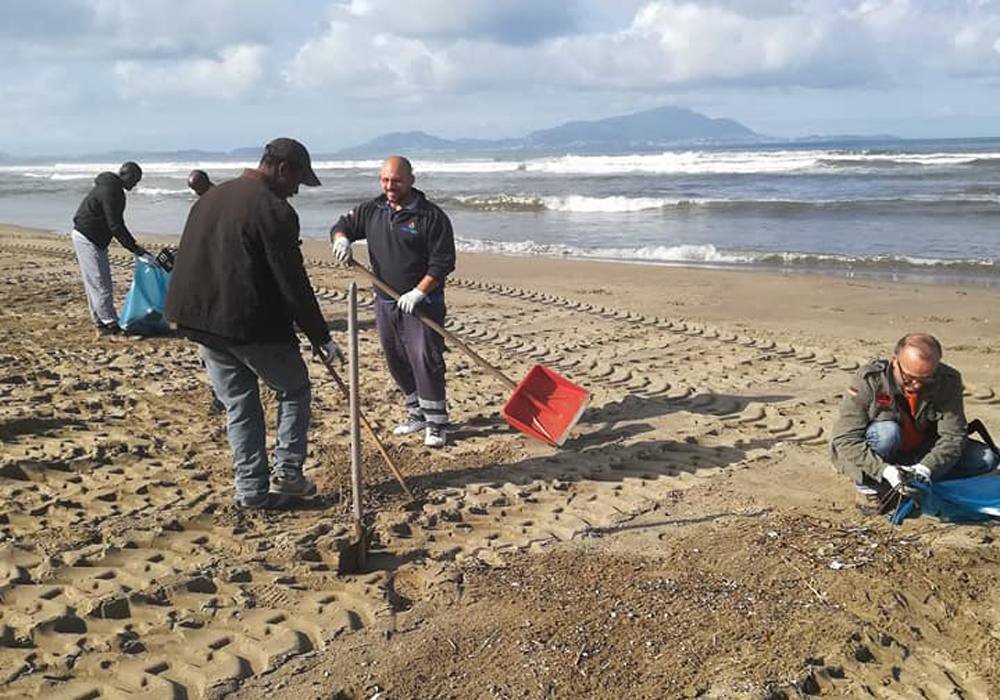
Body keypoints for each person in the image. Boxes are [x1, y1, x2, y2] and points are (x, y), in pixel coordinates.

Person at [165, 138, 341, 509]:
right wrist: (321, 336)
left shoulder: (212, 197)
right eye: (297, 181)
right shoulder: (274, 210)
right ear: (282, 169)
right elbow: (292, 280)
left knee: (240, 406)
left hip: (202, 321)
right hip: (247, 322)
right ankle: (289, 475)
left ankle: (251, 492)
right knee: (294, 390)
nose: (296, 191)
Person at [330, 156, 456, 448]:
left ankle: (437, 424)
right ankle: (417, 414)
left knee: (425, 360)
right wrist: (341, 240)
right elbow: (342, 225)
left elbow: (442, 262)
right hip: (385, 301)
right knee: (395, 359)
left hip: (423, 303)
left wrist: (419, 292)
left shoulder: (431, 217)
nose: (390, 186)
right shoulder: (372, 210)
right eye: (385, 180)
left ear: (411, 179)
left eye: (396, 181)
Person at [831, 332, 997, 514]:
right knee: (887, 433)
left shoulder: (948, 381)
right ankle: (869, 486)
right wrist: (884, 470)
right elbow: (845, 438)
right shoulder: (870, 381)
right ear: (895, 360)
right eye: (909, 378)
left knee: (985, 459)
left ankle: (915, 480)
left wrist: (926, 468)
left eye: (925, 379)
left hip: (922, 451)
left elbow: (953, 436)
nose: (917, 385)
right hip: (883, 450)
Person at [71, 161, 154, 336]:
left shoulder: (111, 187)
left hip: (90, 236)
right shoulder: (111, 191)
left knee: (94, 282)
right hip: (88, 237)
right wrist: (136, 250)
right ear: (126, 175)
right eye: (135, 180)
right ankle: (111, 326)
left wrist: (136, 249)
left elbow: (114, 224)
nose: (135, 184)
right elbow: (116, 225)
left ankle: (100, 322)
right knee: (101, 282)